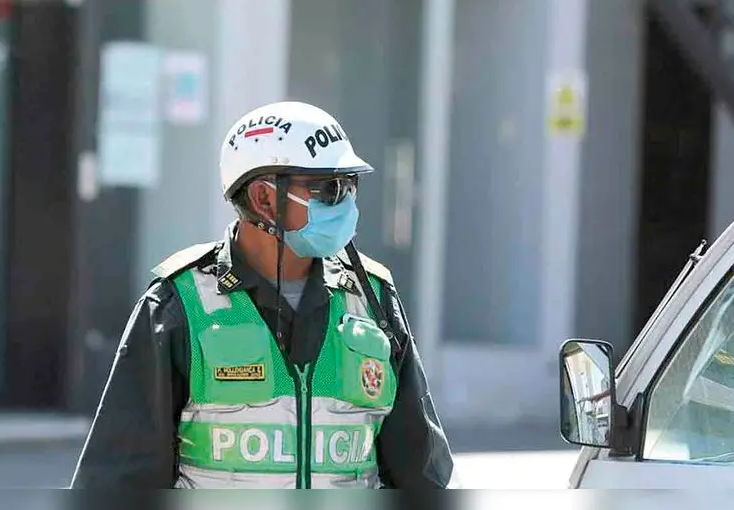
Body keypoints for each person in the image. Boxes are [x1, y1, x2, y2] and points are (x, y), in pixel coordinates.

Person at [70, 101, 454, 489]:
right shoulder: (177, 305)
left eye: (351, 186)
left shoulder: (374, 299)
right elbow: (118, 481)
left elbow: (421, 474)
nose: (347, 204)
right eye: (329, 188)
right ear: (263, 198)